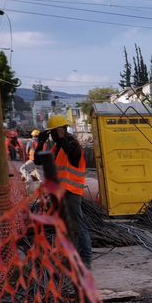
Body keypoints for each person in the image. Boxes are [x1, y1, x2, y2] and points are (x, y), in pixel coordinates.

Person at [34, 113, 91, 266]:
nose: (51, 135)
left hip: (71, 192)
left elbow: (73, 154)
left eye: (53, 132)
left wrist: (62, 136)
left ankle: (85, 262)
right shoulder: (57, 148)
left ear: (60, 130)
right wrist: (40, 142)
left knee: (78, 227)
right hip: (61, 193)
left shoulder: (72, 144)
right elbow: (38, 160)